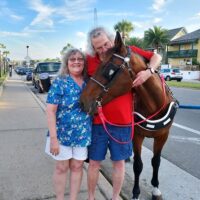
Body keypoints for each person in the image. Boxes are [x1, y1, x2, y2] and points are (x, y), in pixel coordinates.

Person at [86, 27, 162, 200]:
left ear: (112, 40)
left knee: (119, 164)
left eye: (106, 44)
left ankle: (115, 198)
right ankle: (91, 197)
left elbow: (156, 57)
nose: (104, 49)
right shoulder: (89, 60)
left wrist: (148, 72)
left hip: (122, 123)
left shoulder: (129, 51)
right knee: (94, 164)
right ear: (93, 48)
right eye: (98, 47)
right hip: (98, 122)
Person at [45, 48, 92, 200]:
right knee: (61, 167)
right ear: (67, 63)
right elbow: (50, 111)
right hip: (61, 134)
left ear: (84, 63)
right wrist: (53, 139)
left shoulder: (89, 82)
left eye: (80, 59)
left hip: (82, 134)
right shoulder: (60, 82)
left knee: (77, 167)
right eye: (72, 59)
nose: (76, 61)